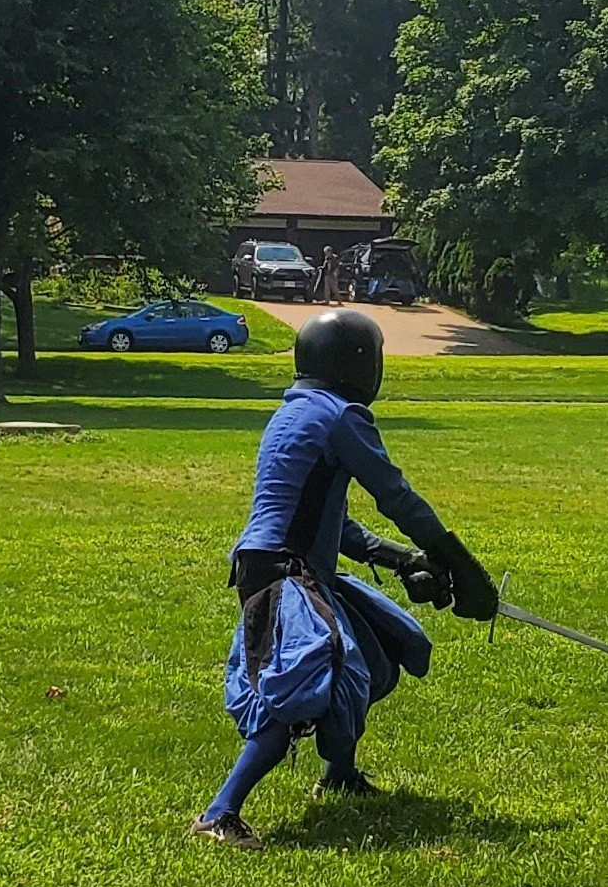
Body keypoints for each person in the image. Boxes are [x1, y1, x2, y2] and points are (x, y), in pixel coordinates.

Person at [190, 309, 498, 850]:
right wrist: (462, 563)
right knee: (298, 689)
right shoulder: (340, 416)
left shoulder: (296, 411)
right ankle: (220, 814)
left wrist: (403, 560)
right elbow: (396, 496)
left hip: (288, 566)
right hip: (285, 573)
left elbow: (332, 519)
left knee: (379, 655)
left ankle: (339, 774)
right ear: (359, 362)